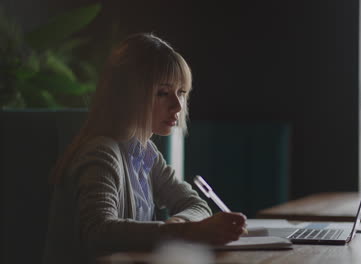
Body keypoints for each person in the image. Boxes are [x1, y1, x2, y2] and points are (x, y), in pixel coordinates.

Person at [43, 33, 246, 264]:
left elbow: (196, 204)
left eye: (181, 92)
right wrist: (185, 232)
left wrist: (179, 225)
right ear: (128, 95)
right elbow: (98, 233)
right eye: (162, 93)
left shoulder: (145, 153)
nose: (178, 105)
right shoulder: (101, 152)